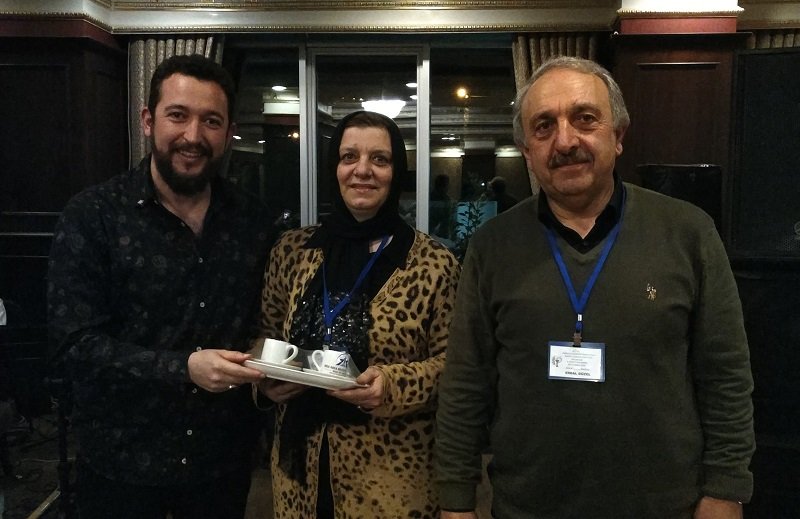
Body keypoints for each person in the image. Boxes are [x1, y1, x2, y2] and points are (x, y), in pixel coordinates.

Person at [434, 56, 754, 519]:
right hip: (528, 507)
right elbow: (466, 382)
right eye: (544, 126)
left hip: (665, 506)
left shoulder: (688, 232)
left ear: (618, 135)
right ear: (526, 151)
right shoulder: (492, 246)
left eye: (584, 118)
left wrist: (726, 488)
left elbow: (725, 375)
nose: (565, 141)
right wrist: (456, 499)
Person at [47, 54, 277, 519]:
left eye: (211, 121)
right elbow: (73, 346)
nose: (193, 135)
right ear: (148, 121)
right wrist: (183, 368)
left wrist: (266, 353)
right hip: (121, 466)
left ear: (229, 132)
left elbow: (263, 319)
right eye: (178, 115)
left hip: (221, 465)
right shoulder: (94, 216)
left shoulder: (253, 220)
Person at [257, 110, 460, 518]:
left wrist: (393, 386)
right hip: (300, 472)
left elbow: (457, 366)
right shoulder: (292, 250)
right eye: (349, 156)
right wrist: (266, 380)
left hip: (391, 481)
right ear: (334, 168)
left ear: (396, 172)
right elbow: (264, 332)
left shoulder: (434, 264)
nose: (362, 170)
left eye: (379, 159)